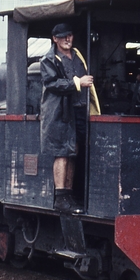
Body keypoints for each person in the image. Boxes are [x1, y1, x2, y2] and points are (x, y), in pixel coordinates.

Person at [39, 23, 100, 214]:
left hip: (79, 110)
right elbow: (51, 84)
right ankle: (60, 197)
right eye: (63, 36)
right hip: (60, 112)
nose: (67, 39)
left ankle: (69, 194)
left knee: (73, 151)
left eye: (70, 35)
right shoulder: (48, 60)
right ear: (54, 39)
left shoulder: (78, 55)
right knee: (62, 152)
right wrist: (77, 83)